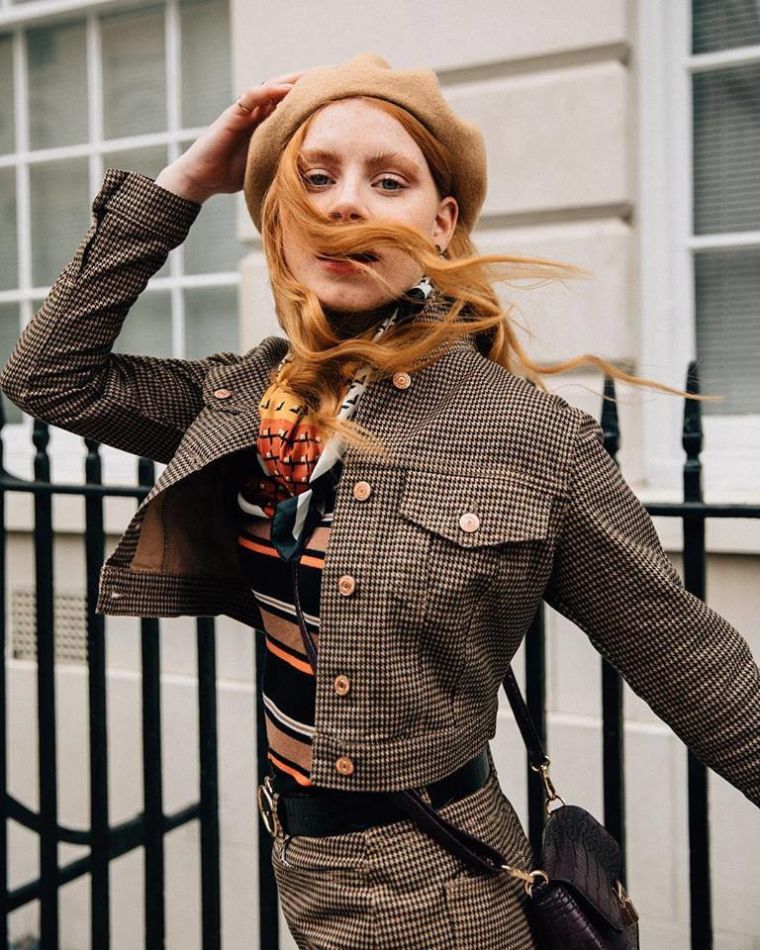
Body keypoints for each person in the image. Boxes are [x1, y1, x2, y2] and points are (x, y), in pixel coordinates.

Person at [1, 52, 758, 950]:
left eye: (387, 180)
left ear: (442, 222)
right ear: (281, 221)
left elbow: (692, 662)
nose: (345, 204)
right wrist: (186, 186)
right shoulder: (242, 399)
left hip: (439, 889)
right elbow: (49, 377)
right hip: (300, 859)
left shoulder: (529, 435)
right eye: (315, 180)